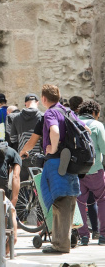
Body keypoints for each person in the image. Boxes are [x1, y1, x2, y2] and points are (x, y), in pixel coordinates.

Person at [40, 84, 85, 254]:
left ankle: (61, 244)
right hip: (70, 162)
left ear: (44, 99)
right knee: (68, 200)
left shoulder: (51, 112)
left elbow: (55, 131)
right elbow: (85, 128)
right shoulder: (68, 112)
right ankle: (62, 241)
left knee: (60, 202)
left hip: (57, 161)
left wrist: (52, 147)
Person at [77, 100, 105, 246]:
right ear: (95, 113)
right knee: (102, 200)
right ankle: (103, 236)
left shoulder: (73, 123)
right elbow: (104, 149)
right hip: (95, 170)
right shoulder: (97, 125)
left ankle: (83, 236)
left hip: (77, 172)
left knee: (80, 202)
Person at [10, 94, 43, 182]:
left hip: (22, 156)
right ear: (37, 102)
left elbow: (13, 139)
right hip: (39, 157)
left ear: (25, 104)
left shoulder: (16, 117)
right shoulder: (42, 117)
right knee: (38, 185)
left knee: (22, 185)